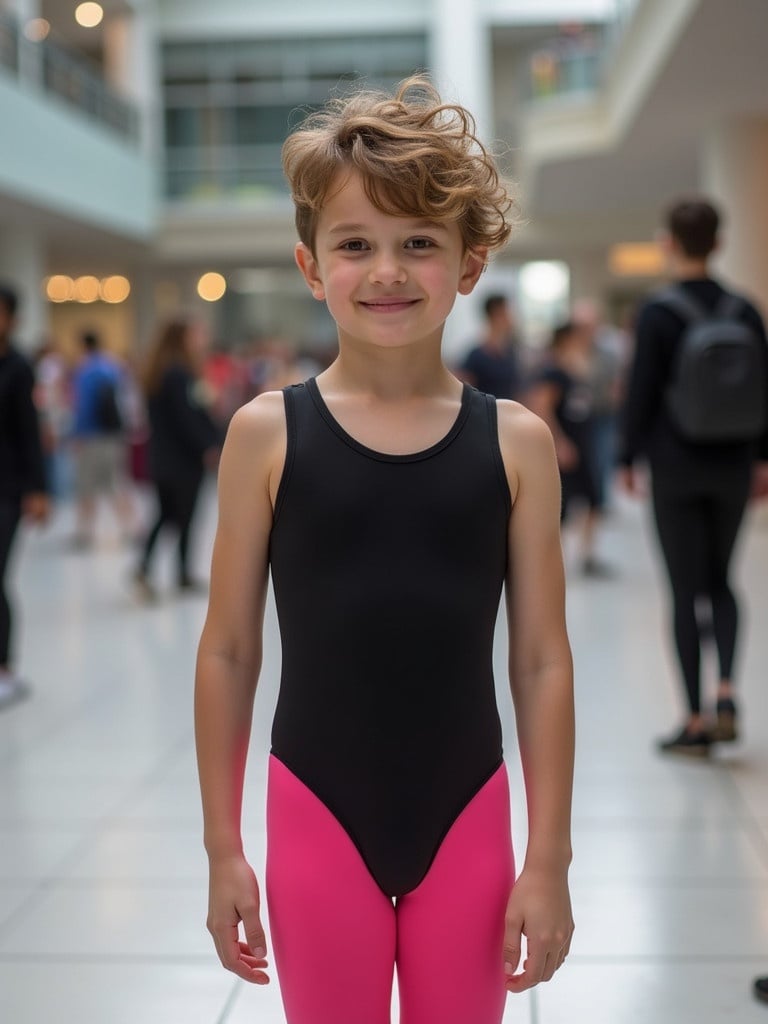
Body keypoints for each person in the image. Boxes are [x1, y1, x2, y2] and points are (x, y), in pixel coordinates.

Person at [195, 76, 575, 1024]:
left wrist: (550, 859)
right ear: (311, 265)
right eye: (355, 245)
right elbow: (229, 649)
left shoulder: (516, 442)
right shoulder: (266, 434)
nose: (388, 271)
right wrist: (221, 846)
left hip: (469, 819)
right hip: (317, 812)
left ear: (471, 261)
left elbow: (541, 660)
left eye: (420, 245)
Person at [619, 197, 768, 756]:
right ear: (719, 242)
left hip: (676, 466)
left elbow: (640, 392)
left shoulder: (658, 313)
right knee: (722, 583)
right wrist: (761, 459)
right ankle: (728, 692)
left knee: (684, 593)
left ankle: (696, 720)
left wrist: (627, 458)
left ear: (668, 243)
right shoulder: (745, 310)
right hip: (733, 464)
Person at [134, 319, 220, 600]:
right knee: (182, 516)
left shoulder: (161, 372)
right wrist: (208, 446)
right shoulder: (178, 374)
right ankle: (168, 571)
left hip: (163, 459)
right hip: (182, 461)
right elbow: (188, 418)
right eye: (196, 333)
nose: (202, 339)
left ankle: (158, 569)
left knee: (167, 515)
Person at [526, 320, 614, 577]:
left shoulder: (575, 369)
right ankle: (550, 562)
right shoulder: (552, 372)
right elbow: (541, 407)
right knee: (560, 508)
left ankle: (587, 557)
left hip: (582, 446)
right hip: (564, 450)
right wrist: (559, 443)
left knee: (594, 500)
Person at [0, 283, 49, 708]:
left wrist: (37, 489)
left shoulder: (18, 366)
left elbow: (29, 432)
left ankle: (5, 668)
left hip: (9, 487)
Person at [69, 329, 137, 547]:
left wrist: (77, 434)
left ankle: (84, 532)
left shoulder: (86, 370)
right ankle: (131, 527)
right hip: (115, 434)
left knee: (87, 485)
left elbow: (83, 407)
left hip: (92, 435)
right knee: (116, 481)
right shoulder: (113, 366)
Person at [458, 292, 522, 398]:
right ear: (496, 315)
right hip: (485, 412)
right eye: (507, 313)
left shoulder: (511, 353)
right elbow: (465, 393)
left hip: (506, 412)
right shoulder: (476, 356)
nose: (511, 318)